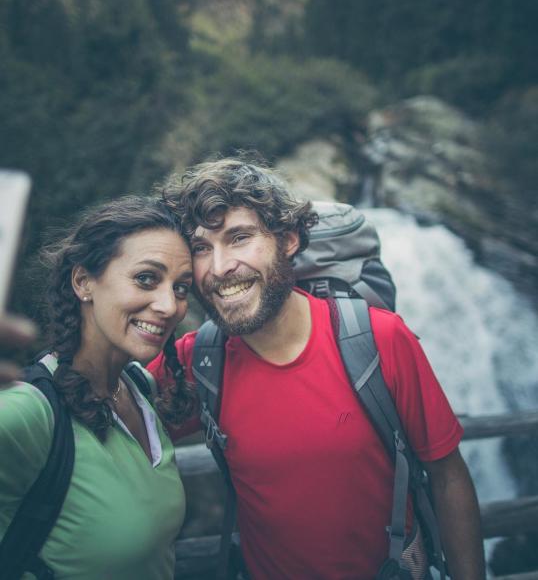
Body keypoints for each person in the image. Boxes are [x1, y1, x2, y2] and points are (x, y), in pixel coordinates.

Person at [150, 157, 486, 580]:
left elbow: (448, 474)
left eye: (239, 237)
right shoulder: (197, 362)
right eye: (201, 248)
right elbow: (104, 408)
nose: (219, 268)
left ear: (288, 239)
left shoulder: (378, 340)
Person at [0, 195, 196, 580]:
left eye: (182, 287)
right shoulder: (30, 411)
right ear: (83, 281)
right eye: (146, 278)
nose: (169, 305)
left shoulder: (141, 389)